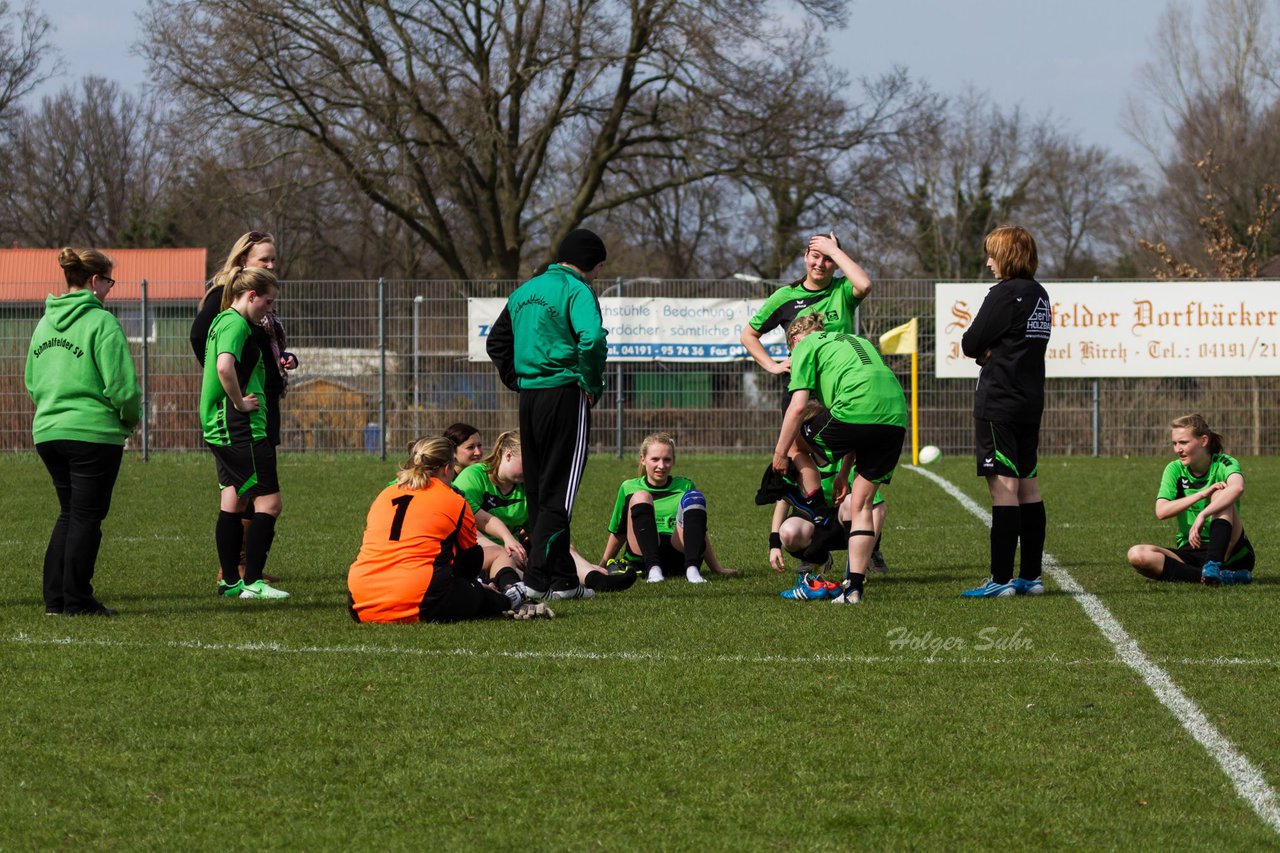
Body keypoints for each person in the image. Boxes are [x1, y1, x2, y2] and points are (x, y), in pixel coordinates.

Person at [486, 228, 609, 601]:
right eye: (599, 266)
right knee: (560, 494)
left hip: (530, 398)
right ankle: (538, 581)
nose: (598, 274)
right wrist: (590, 381)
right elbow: (593, 339)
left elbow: (496, 342)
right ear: (589, 261)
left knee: (539, 491)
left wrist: (519, 379)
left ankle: (564, 581)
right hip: (565, 395)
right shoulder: (577, 290)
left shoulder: (524, 291)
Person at [24, 247, 141, 616]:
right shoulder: (102, 323)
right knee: (87, 516)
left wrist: (52, 411)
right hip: (92, 433)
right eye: (109, 281)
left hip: (49, 430)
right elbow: (122, 387)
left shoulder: (44, 324)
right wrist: (129, 419)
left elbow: (31, 380)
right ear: (95, 281)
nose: (110, 289)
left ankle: (55, 599)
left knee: (69, 512)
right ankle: (77, 598)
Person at [772, 314, 907, 604]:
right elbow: (855, 432)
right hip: (895, 415)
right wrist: (844, 473)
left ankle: (816, 512)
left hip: (857, 409)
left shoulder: (804, 347)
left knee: (795, 444)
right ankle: (854, 589)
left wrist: (780, 454)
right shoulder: (854, 340)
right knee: (861, 504)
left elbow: (797, 409)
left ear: (794, 341)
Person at [347, 437, 552, 622]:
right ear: (447, 469)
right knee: (482, 596)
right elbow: (469, 564)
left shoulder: (385, 494)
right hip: (418, 597)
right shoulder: (453, 499)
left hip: (359, 601)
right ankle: (510, 599)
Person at [192, 231, 296, 583]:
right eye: (263, 259)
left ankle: (237, 576)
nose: (271, 265)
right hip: (241, 416)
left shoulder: (243, 313)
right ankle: (243, 574)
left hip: (248, 409)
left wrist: (280, 359)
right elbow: (218, 359)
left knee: (237, 495)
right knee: (263, 499)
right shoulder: (229, 311)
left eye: (272, 259)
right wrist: (233, 395)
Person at [959, 225, 1052, 598]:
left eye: (993, 255)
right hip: (1030, 400)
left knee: (1003, 490)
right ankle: (1030, 577)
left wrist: (987, 349)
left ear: (1007, 257)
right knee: (1028, 486)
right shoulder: (1040, 294)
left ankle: (999, 580)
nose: (988, 262)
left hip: (998, 401)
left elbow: (970, 343)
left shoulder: (1004, 294)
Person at [453, 431, 635, 593]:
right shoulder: (474, 477)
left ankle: (594, 578)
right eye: (529, 464)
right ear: (508, 455)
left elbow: (538, 530)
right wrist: (508, 541)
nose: (534, 471)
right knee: (510, 561)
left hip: (516, 550)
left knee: (559, 546)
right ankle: (529, 584)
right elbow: (479, 522)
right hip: (481, 552)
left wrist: (562, 556)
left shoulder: (526, 486)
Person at [1127, 415, 1255, 586]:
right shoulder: (1174, 469)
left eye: (1183, 443)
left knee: (1220, 493)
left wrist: (1204, 513)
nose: (1178, 449)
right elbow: (1161, 511)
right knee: (1138, 555)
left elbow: (1237, 487)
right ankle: (1220, 577)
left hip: (1230, 551)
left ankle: (1213, 565)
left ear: (1203, 441)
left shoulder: (1224, 463)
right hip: (1191, 549)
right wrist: (1201, 495)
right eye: (1175, 443)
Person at [598, 432, 738, 584]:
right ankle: (653, 570)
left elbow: (698, 531)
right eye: (655, 459)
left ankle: (692, 570)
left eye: (667, 460)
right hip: (643, 556)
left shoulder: (684, 486)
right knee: (641, 497)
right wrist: (602, 566)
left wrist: (716, 568)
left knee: (694, 497)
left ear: (673, 461)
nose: (661, 466)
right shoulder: (629, 487)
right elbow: (619, 532)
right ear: (643, 459)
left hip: (677, 555)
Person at [740, 233, 872, 393]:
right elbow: (748, 336)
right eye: (815, 256)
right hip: (803, 386)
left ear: (837, 263)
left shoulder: (843, 289)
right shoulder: (784, 296)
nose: (820, 264)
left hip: (842, 384)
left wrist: (834, 251)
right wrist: (773, 366)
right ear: (806, 256)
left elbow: (865, 285)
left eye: (829, 259)